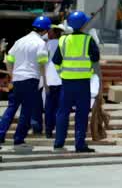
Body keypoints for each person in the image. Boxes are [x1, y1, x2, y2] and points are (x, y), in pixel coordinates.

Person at [0, 16, 51, 153]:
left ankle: (0, 134)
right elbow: (41, 64)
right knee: (26, 110)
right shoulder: (40, 44)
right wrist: (45, 81)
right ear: (45, 30)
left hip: (18, 79)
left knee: (11, 107)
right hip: (31, 79)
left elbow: (8, 59)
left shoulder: (19, 41)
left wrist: (12, 76)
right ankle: (19, 139)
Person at [52, 10, 99, 153]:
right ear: (84, 25)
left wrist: (62, 74)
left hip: (67, 83)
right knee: (82, 114)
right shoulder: (88, 39)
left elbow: (56, 61)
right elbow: (95, 58)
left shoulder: (63, 40)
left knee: (62, 113)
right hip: (83, 82)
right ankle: (80, 145)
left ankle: (58, 143)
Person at [40, 22, 65, 139]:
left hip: (49, 80)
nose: (48, 33)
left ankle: (49, 131)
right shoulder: (63, 44)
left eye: (50, 31)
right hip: (61, 79)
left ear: (54, 33)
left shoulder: (46, 45)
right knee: (60, 107)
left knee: (49, 107)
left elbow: (42, 63)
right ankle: (58, 131)